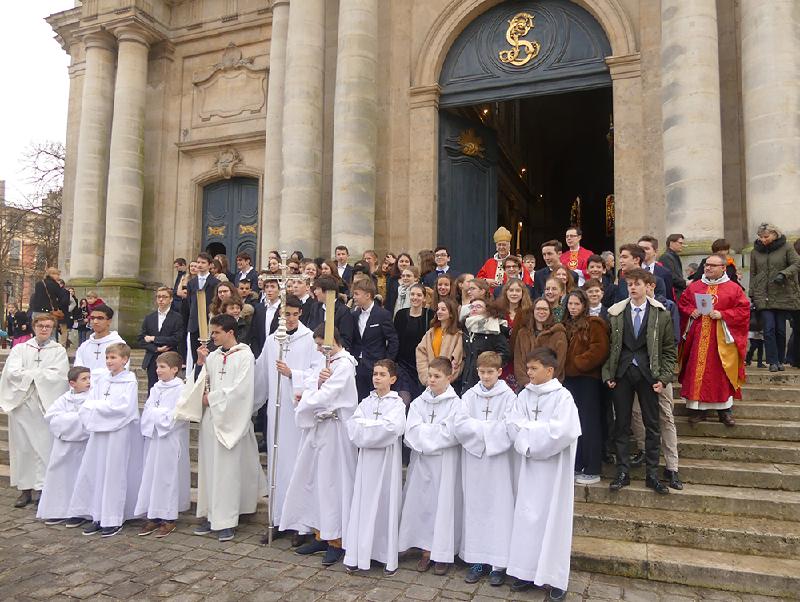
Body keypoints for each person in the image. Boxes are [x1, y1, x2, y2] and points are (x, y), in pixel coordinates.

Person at [506, 348, 581, 599]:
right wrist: (531, 438)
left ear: (549, 370)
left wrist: (530, 436)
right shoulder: (524, 395)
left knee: (553, 521)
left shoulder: (563, 398)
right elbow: (512, 425)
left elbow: (564, 432)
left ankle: (554, 577)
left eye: (534, 369)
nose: (528, 373)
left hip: (553, 472)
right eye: (528, 368)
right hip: (529, 468)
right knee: (527, 518)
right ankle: (525, 572)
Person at [283, 326, 358, 567]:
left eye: (320, 344)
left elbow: (330, 394)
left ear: (332, 341)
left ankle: (336, 539)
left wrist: (306, 398)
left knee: (332, 483)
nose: (317, 349)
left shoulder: (344, 364)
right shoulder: (327, 361)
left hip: (335, 430)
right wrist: (311, 386)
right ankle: (320, 533)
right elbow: (312, 383)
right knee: (315, 480)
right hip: (319, 427)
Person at [190, 315, 267, 542]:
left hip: (232, 420)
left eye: (216, 332)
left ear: (230, 332)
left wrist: (211, 399)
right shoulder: (212, 356)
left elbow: (242, 390)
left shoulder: (245, 356)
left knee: (228, 473)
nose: (212, 336)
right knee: (210, 469)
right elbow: (201, 383)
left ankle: (227, 520)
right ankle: (211, 513)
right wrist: (200, 363)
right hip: (212, 420)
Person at [254, 295, 324, 543]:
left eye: (294, 314)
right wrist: (249, 405)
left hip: (298, 412)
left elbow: (319, 373)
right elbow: (260, 374)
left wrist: (293, 373)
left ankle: (300, 525)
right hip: (276, 415)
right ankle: (278, 519)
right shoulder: (273, 340)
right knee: (277, 466)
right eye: (286, 315)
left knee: (298, 465)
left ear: (301, 313)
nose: (291, 319)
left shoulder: (310, 340)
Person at [602, 269, 676, 495]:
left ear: (648, 285)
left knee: (652, 425)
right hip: (622, 374)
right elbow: (608, 347)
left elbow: (668, 350)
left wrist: (663, 378)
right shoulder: (615, 313)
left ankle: (652, 473)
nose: (632, 287)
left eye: (637, 284)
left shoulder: (660, 314)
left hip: (649, 375)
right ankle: (623, 471)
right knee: (622, 424)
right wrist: (608, 374)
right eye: (629, 284)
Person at [68, 343, 143, 537]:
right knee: (97, 471)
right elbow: (88, 403)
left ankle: (112, 518)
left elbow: (124, 409)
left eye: (113, 358)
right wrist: (102, 408)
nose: (109, 361)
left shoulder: (129, 382)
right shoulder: (101, 380)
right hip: (99, 433)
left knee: (113, 473)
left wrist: (99, 408)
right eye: (107, 358)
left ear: (125, 360)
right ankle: (97, 515)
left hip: (118, 434)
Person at [455, 351, 516, 586]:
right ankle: (476, 560)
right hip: (475, 461)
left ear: (500, 372)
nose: (486, 376)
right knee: (476, 507)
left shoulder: (509, 397)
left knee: (498, 509)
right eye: (482, 372)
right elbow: (460, 424)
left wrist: (479, 429)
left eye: (490, 372)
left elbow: (509, 427)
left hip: (498, 462)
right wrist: (487, 429)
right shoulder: (470, 395)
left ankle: (498, 564)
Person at [399, 357, 461, 576]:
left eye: (437, 377)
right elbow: (411, 430)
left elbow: (451, 433)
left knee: (441, 505)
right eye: (430, 376)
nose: (431, 380)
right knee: (420, 503)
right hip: (421, 461)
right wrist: (429, 436)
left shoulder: (456, 404)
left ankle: (441, 552)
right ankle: (421, 547)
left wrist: (426, 434)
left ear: (449, 377)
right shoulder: (419, 402)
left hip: (444, 464)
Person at [344, 360, 406, 575]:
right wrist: (373, 430)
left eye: (382, 374)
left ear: (393, 379)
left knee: (384, 504)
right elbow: (353, 428)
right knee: (363, 504)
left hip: (386, 463)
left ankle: (383, 555)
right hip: (367, 461)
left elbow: (393, 429)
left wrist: (367, 428)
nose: (377, 377)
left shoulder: (397, 404)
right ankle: (359, 554)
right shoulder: (365, 402)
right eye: (375, 374)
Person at [0, 313, 69, 508]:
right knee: (22, 448)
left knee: (42, 448)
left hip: (43, 405)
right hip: (21, 405)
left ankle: (41, 488)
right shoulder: (21, 349)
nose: (44, 329)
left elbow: (58, 376)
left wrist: (29, 375)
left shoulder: (58, 351)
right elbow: (12, 373)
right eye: (41, 326)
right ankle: (24, 489)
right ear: (34, 327)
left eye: (48, 326)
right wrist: (37, 376)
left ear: (53, 328)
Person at [679, 254, 750, 424]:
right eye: (706, 265)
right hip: (698, 339)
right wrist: (691, 311)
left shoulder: (734, 289)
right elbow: (682, 303)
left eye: (712, 265)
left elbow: (743, 311)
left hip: (722, 341)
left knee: (721, 373)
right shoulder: (695, 287)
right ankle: (697, 410)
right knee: (697, 371)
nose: (708, 268)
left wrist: (723, 314)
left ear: (723, 268)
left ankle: (724, 411)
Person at [135, 351, 190, 538]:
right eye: (157, 367)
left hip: (170, 439)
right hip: (155, 437)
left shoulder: (181, 389)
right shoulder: (156, 388)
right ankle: (153, 514)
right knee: (152, 476)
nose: (157, 370)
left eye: (162, 367)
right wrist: (158, 414)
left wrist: (157, 415)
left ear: (175, 369)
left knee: (167, 477)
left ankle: (168, 517)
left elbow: (179, 414)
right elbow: (148, 410)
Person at [562, 290, 610, 485]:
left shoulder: (594, 323)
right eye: (570, 304)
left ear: (584, 305)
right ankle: (577, 463)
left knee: (589, 424)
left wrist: (576, 364)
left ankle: (592, 467)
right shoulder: (565, 326)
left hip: (587, 379)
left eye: (576, 304)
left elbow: (599, 349)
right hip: (569, 381)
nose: (573, 308)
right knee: (573, 424)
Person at [36, 366, 91, 526]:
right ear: (72, 383)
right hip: (63, 448)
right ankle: (58, 510)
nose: (88, 382)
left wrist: (66, 420)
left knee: (79, 477)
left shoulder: (92, 399)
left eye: (89, 378)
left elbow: (88, 419)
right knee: (61, 479)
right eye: (84, 379)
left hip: (82, 447)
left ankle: (80, 512)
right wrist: (72, 420)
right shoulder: (65, 398)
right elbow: (52, 417)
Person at [749, 224, 800, 371]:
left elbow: (797, 263)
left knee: (780, 330)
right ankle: (772, 361)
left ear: (774, 234)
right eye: (761, 237)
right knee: (769, 329)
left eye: (766, 236)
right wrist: (752, 293)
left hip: (782, 293)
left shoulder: (787, 247)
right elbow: (753, 273)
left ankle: (779, 360)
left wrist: (784, 273)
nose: (763, 240)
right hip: (762, 295)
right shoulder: (755, 252)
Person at [351, 279, 399, 401]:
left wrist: (386, 362)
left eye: (357, 294)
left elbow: (393, 340)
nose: (354, 297)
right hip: (357, 365)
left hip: (375, 365)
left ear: (368, 295)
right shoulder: (354, 315)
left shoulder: (382, 315)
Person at [393, 284, 434, 403]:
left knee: (419, 399)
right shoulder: (400, 314)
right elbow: (396, 339)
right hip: (403, 364)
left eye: (419, 295)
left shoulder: (430, 315)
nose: (415, 297)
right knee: (404, 398)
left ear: (424, 298)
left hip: (422, 364)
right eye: (412, 294)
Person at [138, 287, 184, 390]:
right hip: (152, 357)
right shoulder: (149, 317)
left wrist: (154, 338)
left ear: (171, 299)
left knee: (169, 388)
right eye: (159, 297)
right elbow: (141, 339)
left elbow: (177, 338)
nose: (161, 300)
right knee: (152, 388)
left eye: (164, 297)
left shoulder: (177, 317)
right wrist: (156, 349)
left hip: (170, 357)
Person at [513, 298, 568, 385]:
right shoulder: (522, 333)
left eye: (545, 309)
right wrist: (526, 382)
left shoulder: (558, 334)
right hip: (527, 386)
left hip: (549, 386)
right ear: (533, 311)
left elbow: (559, 363)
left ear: (550, 312)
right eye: (538, 309)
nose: (541, 312)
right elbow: (518, 360)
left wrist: (545, 383)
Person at [460, 299, 510, 392]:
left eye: (478, 306)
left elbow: (505, 353)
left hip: (486, 379)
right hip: (465, 378)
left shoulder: (494, 328)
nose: (474, 309)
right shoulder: (464, 328)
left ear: (487, 310)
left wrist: (489, 366)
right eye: (472, 307)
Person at [416, 298, 464, 389]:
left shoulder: (458, 335)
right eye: (438, 309)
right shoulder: (431, 332)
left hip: (449, 385)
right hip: (429, 383)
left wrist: (443, 380)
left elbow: (457, 361)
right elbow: (421, 354)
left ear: (451, 313)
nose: (439, 312)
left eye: (443, 309)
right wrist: (428, 378)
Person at [495, 278, 532, 389]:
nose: (514, 293)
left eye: (517, 291)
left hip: (520, 359)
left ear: (523, 293)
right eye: (511, 290)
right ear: (506, 292)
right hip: (501, 359)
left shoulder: (528, 313)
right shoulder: (497, 311)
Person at [74, 304, 127, 381]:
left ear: (109, 321)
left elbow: (119, 370)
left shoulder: (119, 345)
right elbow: (77, 369)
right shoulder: (84, 346)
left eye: (100, 318)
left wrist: (92, 378)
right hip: (86, 389)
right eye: (92, 318)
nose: (95, 321)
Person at [185, 252, 220, 367]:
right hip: (194, 323)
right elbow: (190, 302)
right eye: (198, 262)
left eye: (203, 263)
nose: (200, 265)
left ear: (210, 265)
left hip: (209, 322)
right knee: (196, 356)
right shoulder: (191, 283)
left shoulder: (215, 283)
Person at [309, 276, 356, 351]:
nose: (315, 292)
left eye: (317, 289)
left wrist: (327, 345)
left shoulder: (343, 311)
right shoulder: (315, 307)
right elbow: (311, 329)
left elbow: (346, 340)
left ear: (327, 291)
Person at [29, 267, 69, 340]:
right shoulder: (54, 284)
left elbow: (36, 297)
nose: (58, 277)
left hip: (36, 312)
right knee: (50, 334)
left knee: (38, 333)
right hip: (49, 313)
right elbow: (61, 297)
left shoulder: (39, 283)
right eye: (57, 274)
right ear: (52, 274)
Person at [249, 278, 282, 358]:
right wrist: (257, 355)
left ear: (279, 290)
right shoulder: (259, 308)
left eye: (273, 287)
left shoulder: (284, 308)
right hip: (260, 353)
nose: (269, 290)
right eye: (267, 287)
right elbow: (254, 333)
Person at [638, 235, 675, 302]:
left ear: (655, 252)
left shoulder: (665, 273)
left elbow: (668, 299)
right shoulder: (631, 271)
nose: (642, 251)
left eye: (646, 249)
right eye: (640, 249)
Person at [659, 234, 687, 299]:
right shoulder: (666, 257)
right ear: (671, 243)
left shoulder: (673, 256)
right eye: (680, 243)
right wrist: (685, 283)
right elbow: (670, 276)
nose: (682, 245)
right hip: (672, 294)